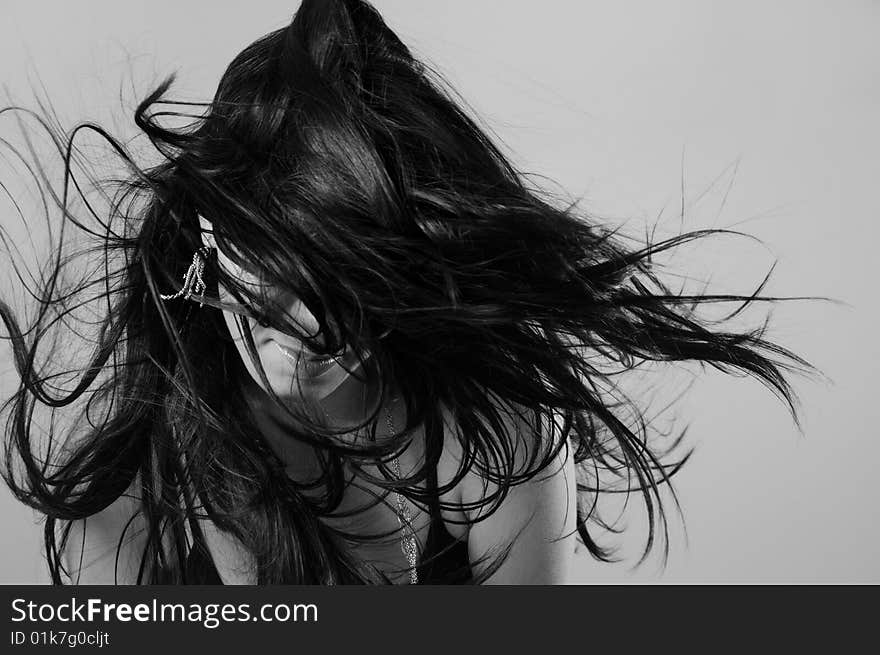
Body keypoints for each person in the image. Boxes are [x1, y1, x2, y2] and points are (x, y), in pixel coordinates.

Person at [0, 0, 812, 585]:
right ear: (210, 240)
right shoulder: (140, 472)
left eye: (329, 268)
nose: (296, 314)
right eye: (262, 252)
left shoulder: (497, 434)